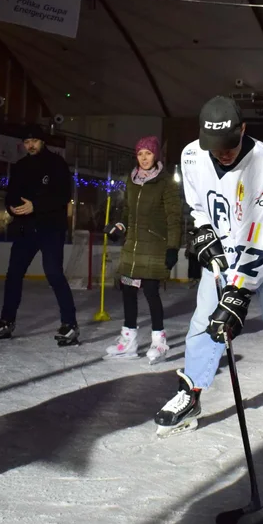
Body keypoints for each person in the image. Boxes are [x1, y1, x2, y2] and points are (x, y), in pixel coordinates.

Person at [154, 96, 263, 439]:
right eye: (215, 146)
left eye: (229, 144)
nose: (222, 152)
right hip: (224, 250)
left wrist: (237, 294)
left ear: (243, 130)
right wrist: (203, 231)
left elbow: (260, 235)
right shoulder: (191, 155)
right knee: (204, 321)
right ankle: (191, 393)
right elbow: (198, 205)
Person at [0, 132, 78, 346]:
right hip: (25, 229)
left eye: (34, 141)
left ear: (42, 141)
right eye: (26, 142)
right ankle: (6, 321)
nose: (30, 145)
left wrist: (36, 206)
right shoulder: (20, 166)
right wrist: (10, 207)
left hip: (50, 228)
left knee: (54, 273)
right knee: (13, 275)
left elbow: (63, 196)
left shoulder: (57, 164)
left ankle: (70, 324)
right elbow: (10, 194)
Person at [103, 135, 182, 363]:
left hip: (155, 247)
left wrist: (172, 247)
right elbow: (128, 212)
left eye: (148, 153)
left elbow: (174, 217)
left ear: (155, 154)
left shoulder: (165, 182)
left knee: (150, 292)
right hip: (133, 248)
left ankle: (159, 341)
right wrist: (120, 225)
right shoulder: (132, 180)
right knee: (128, 292)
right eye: (140, 153)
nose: (144, 158)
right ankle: (128, 342)